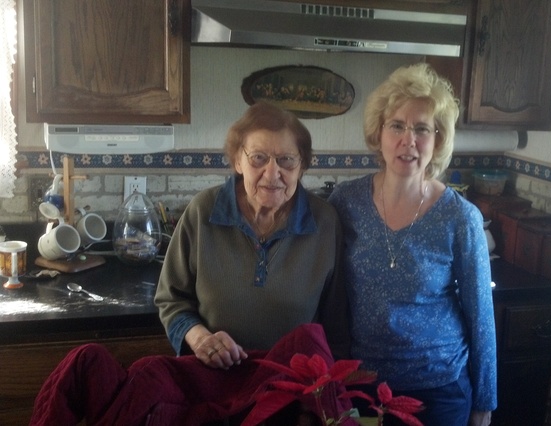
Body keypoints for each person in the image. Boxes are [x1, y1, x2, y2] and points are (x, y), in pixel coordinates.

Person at [328, 63, 497, 426]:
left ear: (438, 140)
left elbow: (481, 315)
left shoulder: (460, 217)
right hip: (361, 385)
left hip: (438, 389)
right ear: (378, 133)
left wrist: (484, 401)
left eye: (422, 129)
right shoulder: (345, 202)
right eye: (397, 126)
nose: (409, 140)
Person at [155, 101, 350, 368]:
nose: (272, 173)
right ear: (238, 160)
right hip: (215, 375)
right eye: (258, 158)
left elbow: (336, 325)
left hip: (292, 380)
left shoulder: (324, 222)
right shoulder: (203, 212)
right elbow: (171, 300)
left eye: (286, 160)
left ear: (302, 165)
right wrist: (201, 339)